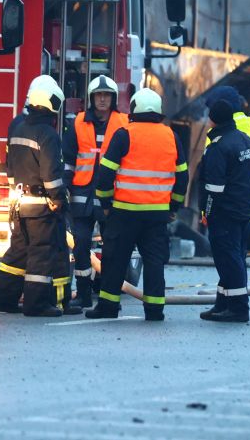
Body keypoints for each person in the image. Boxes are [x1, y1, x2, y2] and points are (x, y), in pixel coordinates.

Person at [85, 88, 188, 322]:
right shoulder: (171, 136)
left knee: (114, 260)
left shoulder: (124, 134)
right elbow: (182, 176)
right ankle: (154, 311)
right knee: (154, 262)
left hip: (124, 212)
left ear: (133, 109)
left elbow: (105, 174)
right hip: (157, 215)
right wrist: (174, 207)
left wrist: (106, 203)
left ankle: (108, 307)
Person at [0, 75, 79, 317]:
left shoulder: (17, 127)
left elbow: (10, 166)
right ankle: (36, 304)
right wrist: (58, 199)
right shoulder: (48, 134)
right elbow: (51, 174)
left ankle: (3, 299)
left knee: (18, 251)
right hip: (42, 206)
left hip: (19, 203)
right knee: (41, 253)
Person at [62, 75, 128, 308]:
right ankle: (83, 294)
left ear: (113, 98)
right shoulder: (79, 123)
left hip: (111, 195)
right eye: (98, 95)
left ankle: (110, 297)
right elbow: (69, 161)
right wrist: (65, 187)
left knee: (112, 248)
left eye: (106, 95)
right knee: (80, 246)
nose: (102, 99)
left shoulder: (124, 123)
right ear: (91, 98)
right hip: (82, 194)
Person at [198, 96, 250, 323]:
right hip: (244, 210)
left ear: (213, 119)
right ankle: (222, 303)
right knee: (234, 257)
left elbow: (213, 189)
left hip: (225, 214)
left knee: (228, 259)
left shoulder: (218, 147)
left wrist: (208, 214)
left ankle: (238, 308)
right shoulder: (245, 140)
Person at [203, 85, 250, 222]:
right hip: (248, 208)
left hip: (225, 211)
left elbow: (212, 174)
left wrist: (207, 212)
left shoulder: (219, 133)